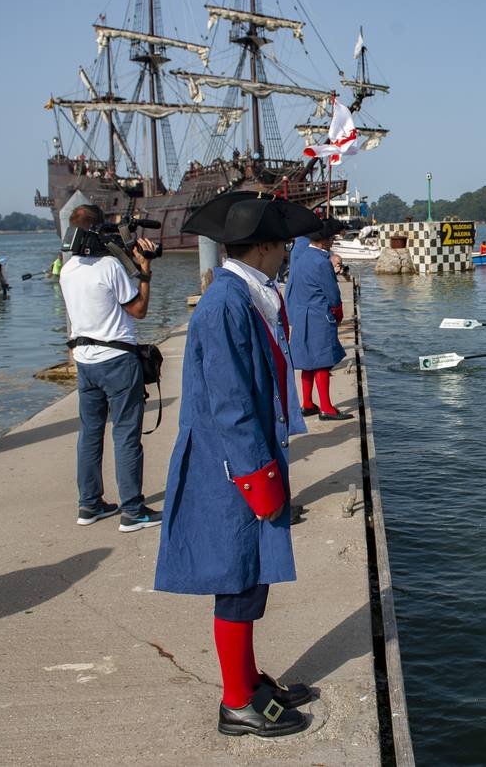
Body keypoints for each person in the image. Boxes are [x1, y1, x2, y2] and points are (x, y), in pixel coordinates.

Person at [154, 191, 322, 739]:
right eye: (283, 245)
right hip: (232, 464)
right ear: (264, 247)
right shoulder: (227, 304)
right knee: (237, 578)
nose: (287, 253)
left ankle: (247, 680)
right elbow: (230, 402)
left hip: (244, 457)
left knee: (249, 575)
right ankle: (235, 702)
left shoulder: (243, 294)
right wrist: (257, 476)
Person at [59, 204, 161, 532]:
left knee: (90, 434)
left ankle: (89, 504)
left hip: (85, 361)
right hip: (117, 361)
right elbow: (139, 310)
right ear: (98, 230)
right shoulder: (109, 268)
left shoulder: (67, 269)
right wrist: (144, 270)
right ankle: (133, 510)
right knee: (126, 434)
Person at [287, 217, 351, 420]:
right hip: (318, 316)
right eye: (331, 239)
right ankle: (326, 408)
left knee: (307, 361)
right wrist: (338, 312)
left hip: (301, 314)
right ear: (323, 241)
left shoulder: (301, 256)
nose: (332, 242)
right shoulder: (322, 262)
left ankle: (307, 403)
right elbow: (332, 294)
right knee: (322, 361)